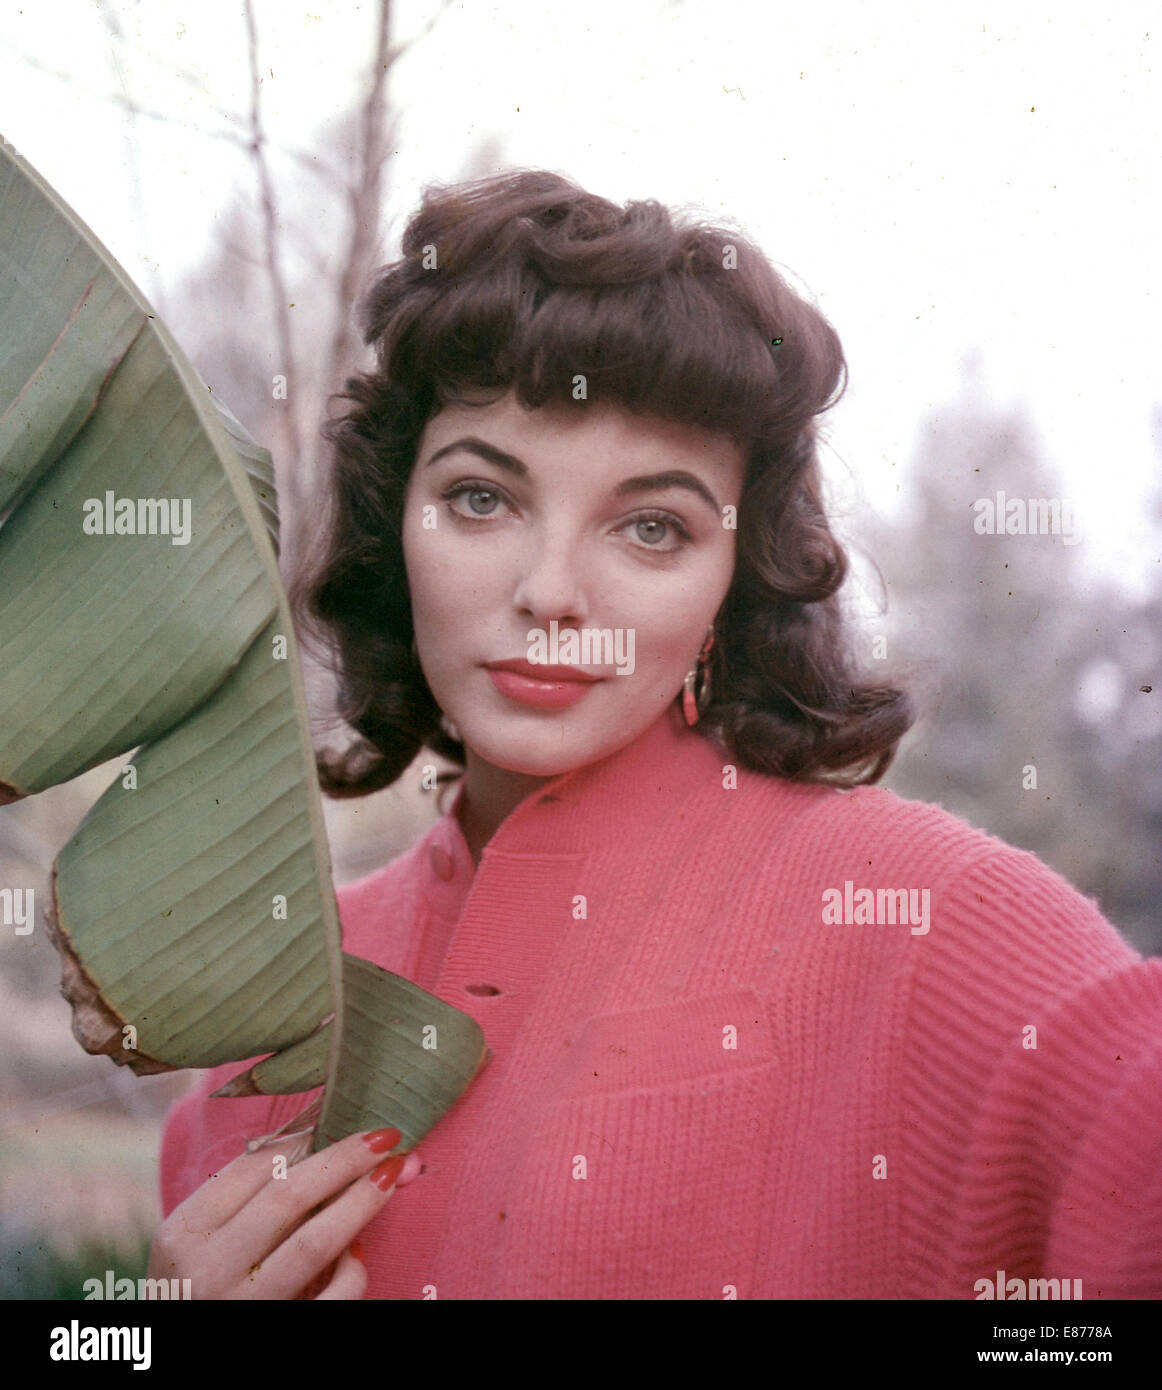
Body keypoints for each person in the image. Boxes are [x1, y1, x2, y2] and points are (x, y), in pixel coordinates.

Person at [150, 170, 1162, 1300]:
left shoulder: (928, 916)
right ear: (396, 526)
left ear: (736, 577)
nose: (550, 592)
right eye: (482, 498)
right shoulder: (283, 998)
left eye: (650, 526)